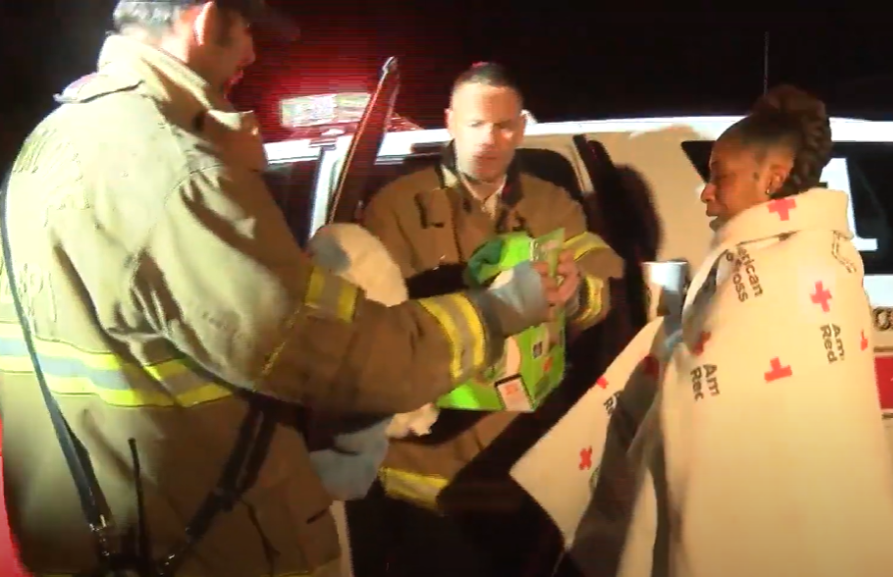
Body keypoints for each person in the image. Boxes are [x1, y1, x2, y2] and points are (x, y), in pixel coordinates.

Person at [0, 2, 571, 576]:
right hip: (200, 546)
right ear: (205, 19)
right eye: (246, 28)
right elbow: (340, 355)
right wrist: (496, 311)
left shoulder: (55, 140)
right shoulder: (176, 170)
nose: (251, 51)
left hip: (92, 530)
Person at [567, 85, 893, 577]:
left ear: (773, 178)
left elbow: (705, 400)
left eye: (717, 176)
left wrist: (665, 360)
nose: (705, 191)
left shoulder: (784, 269)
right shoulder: (820, 255)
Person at [353, 62, 624, 576]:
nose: (489, 139)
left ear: (520, 128)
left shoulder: (552, 205)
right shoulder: (396, 207)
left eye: (503, 126)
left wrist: (574, 293)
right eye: (476, 124)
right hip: (428, 473)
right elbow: (375, 331)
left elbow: (601, 283)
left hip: (522, 463)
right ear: (451, 122)